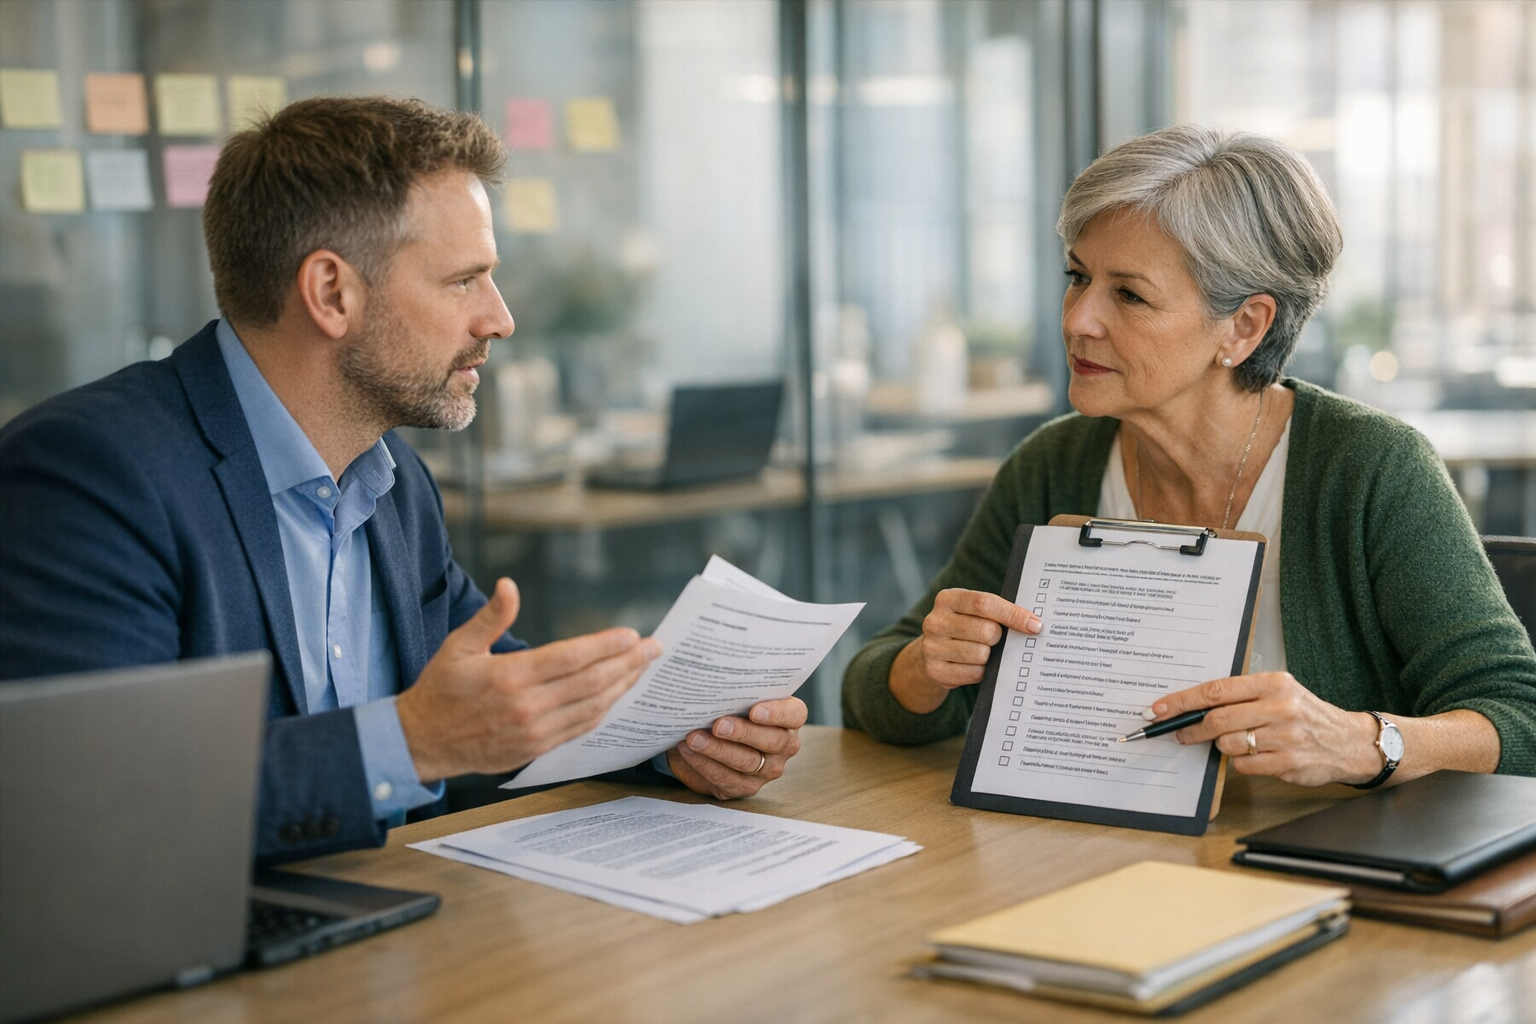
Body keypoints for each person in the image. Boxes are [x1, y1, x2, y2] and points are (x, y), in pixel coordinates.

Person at [0, 97, 805, 864]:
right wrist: (415, 742)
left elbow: (491, 710)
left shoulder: (393, 482)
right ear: (331, 292)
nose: (501, 318)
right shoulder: (90, 475)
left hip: (400, 933)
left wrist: (682, 738)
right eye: (464, 280)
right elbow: (95, 803)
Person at [843, 124, 1536, 786]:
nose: (1077, 319)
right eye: (1077, 277)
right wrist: (925, 669)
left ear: (1243, 326)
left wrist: (1364, 742)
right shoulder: (1053, 464)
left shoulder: (1370, 469)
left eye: (1129, 295)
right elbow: (872, 688)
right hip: (1093, 850)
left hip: (1318, 869)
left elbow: (1519, 721)